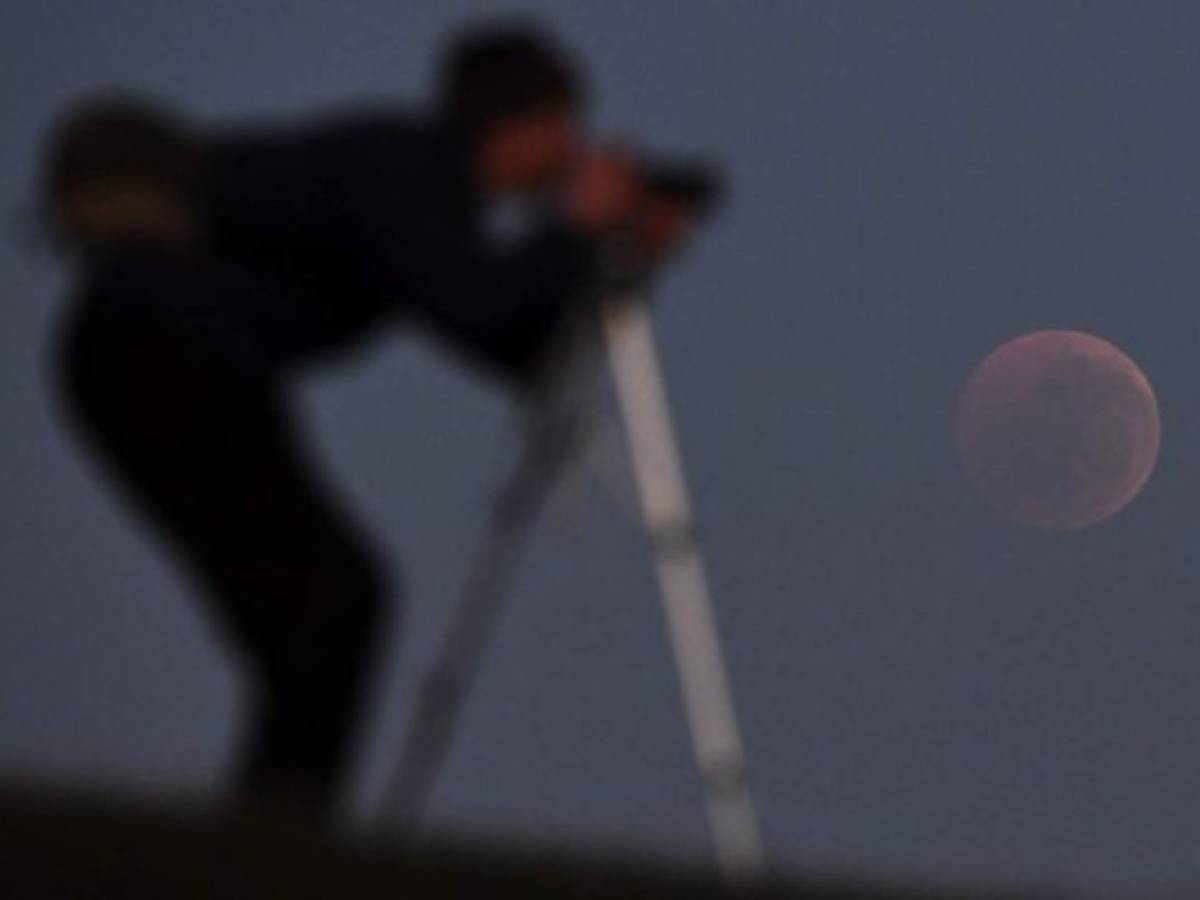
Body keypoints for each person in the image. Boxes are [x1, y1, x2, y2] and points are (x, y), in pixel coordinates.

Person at [43, 22, 690, 820]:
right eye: (566, 130)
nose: (573, 155)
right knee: (328, 603)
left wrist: (604, 258)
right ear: (526, 123)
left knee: (319, 608)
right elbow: (480, 308)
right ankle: (279, 842)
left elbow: (514, 347)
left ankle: (273, 835)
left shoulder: (417, 187)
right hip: (162, 358)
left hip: (161, 363)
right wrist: (576, 231)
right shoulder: (409, 168)